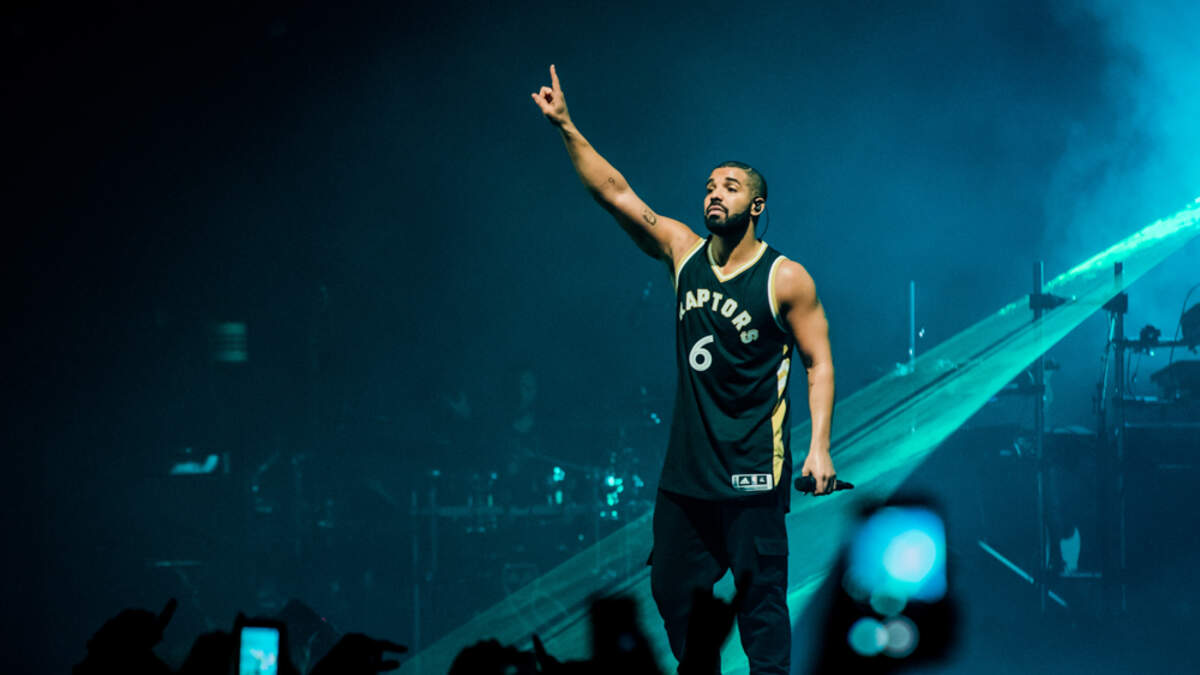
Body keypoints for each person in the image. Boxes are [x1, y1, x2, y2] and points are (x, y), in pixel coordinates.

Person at [531, 66, 836, 674]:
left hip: (754, 469)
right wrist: (566, 126)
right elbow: (616, 192)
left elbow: (818, 361)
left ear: (756, 205)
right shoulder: (682, 251)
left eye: (730, 187)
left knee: (761, 606)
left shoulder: (785, 278)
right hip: (687, 474)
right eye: (709, 186)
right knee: (672, 590)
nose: (714, 194)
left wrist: (820, 447)